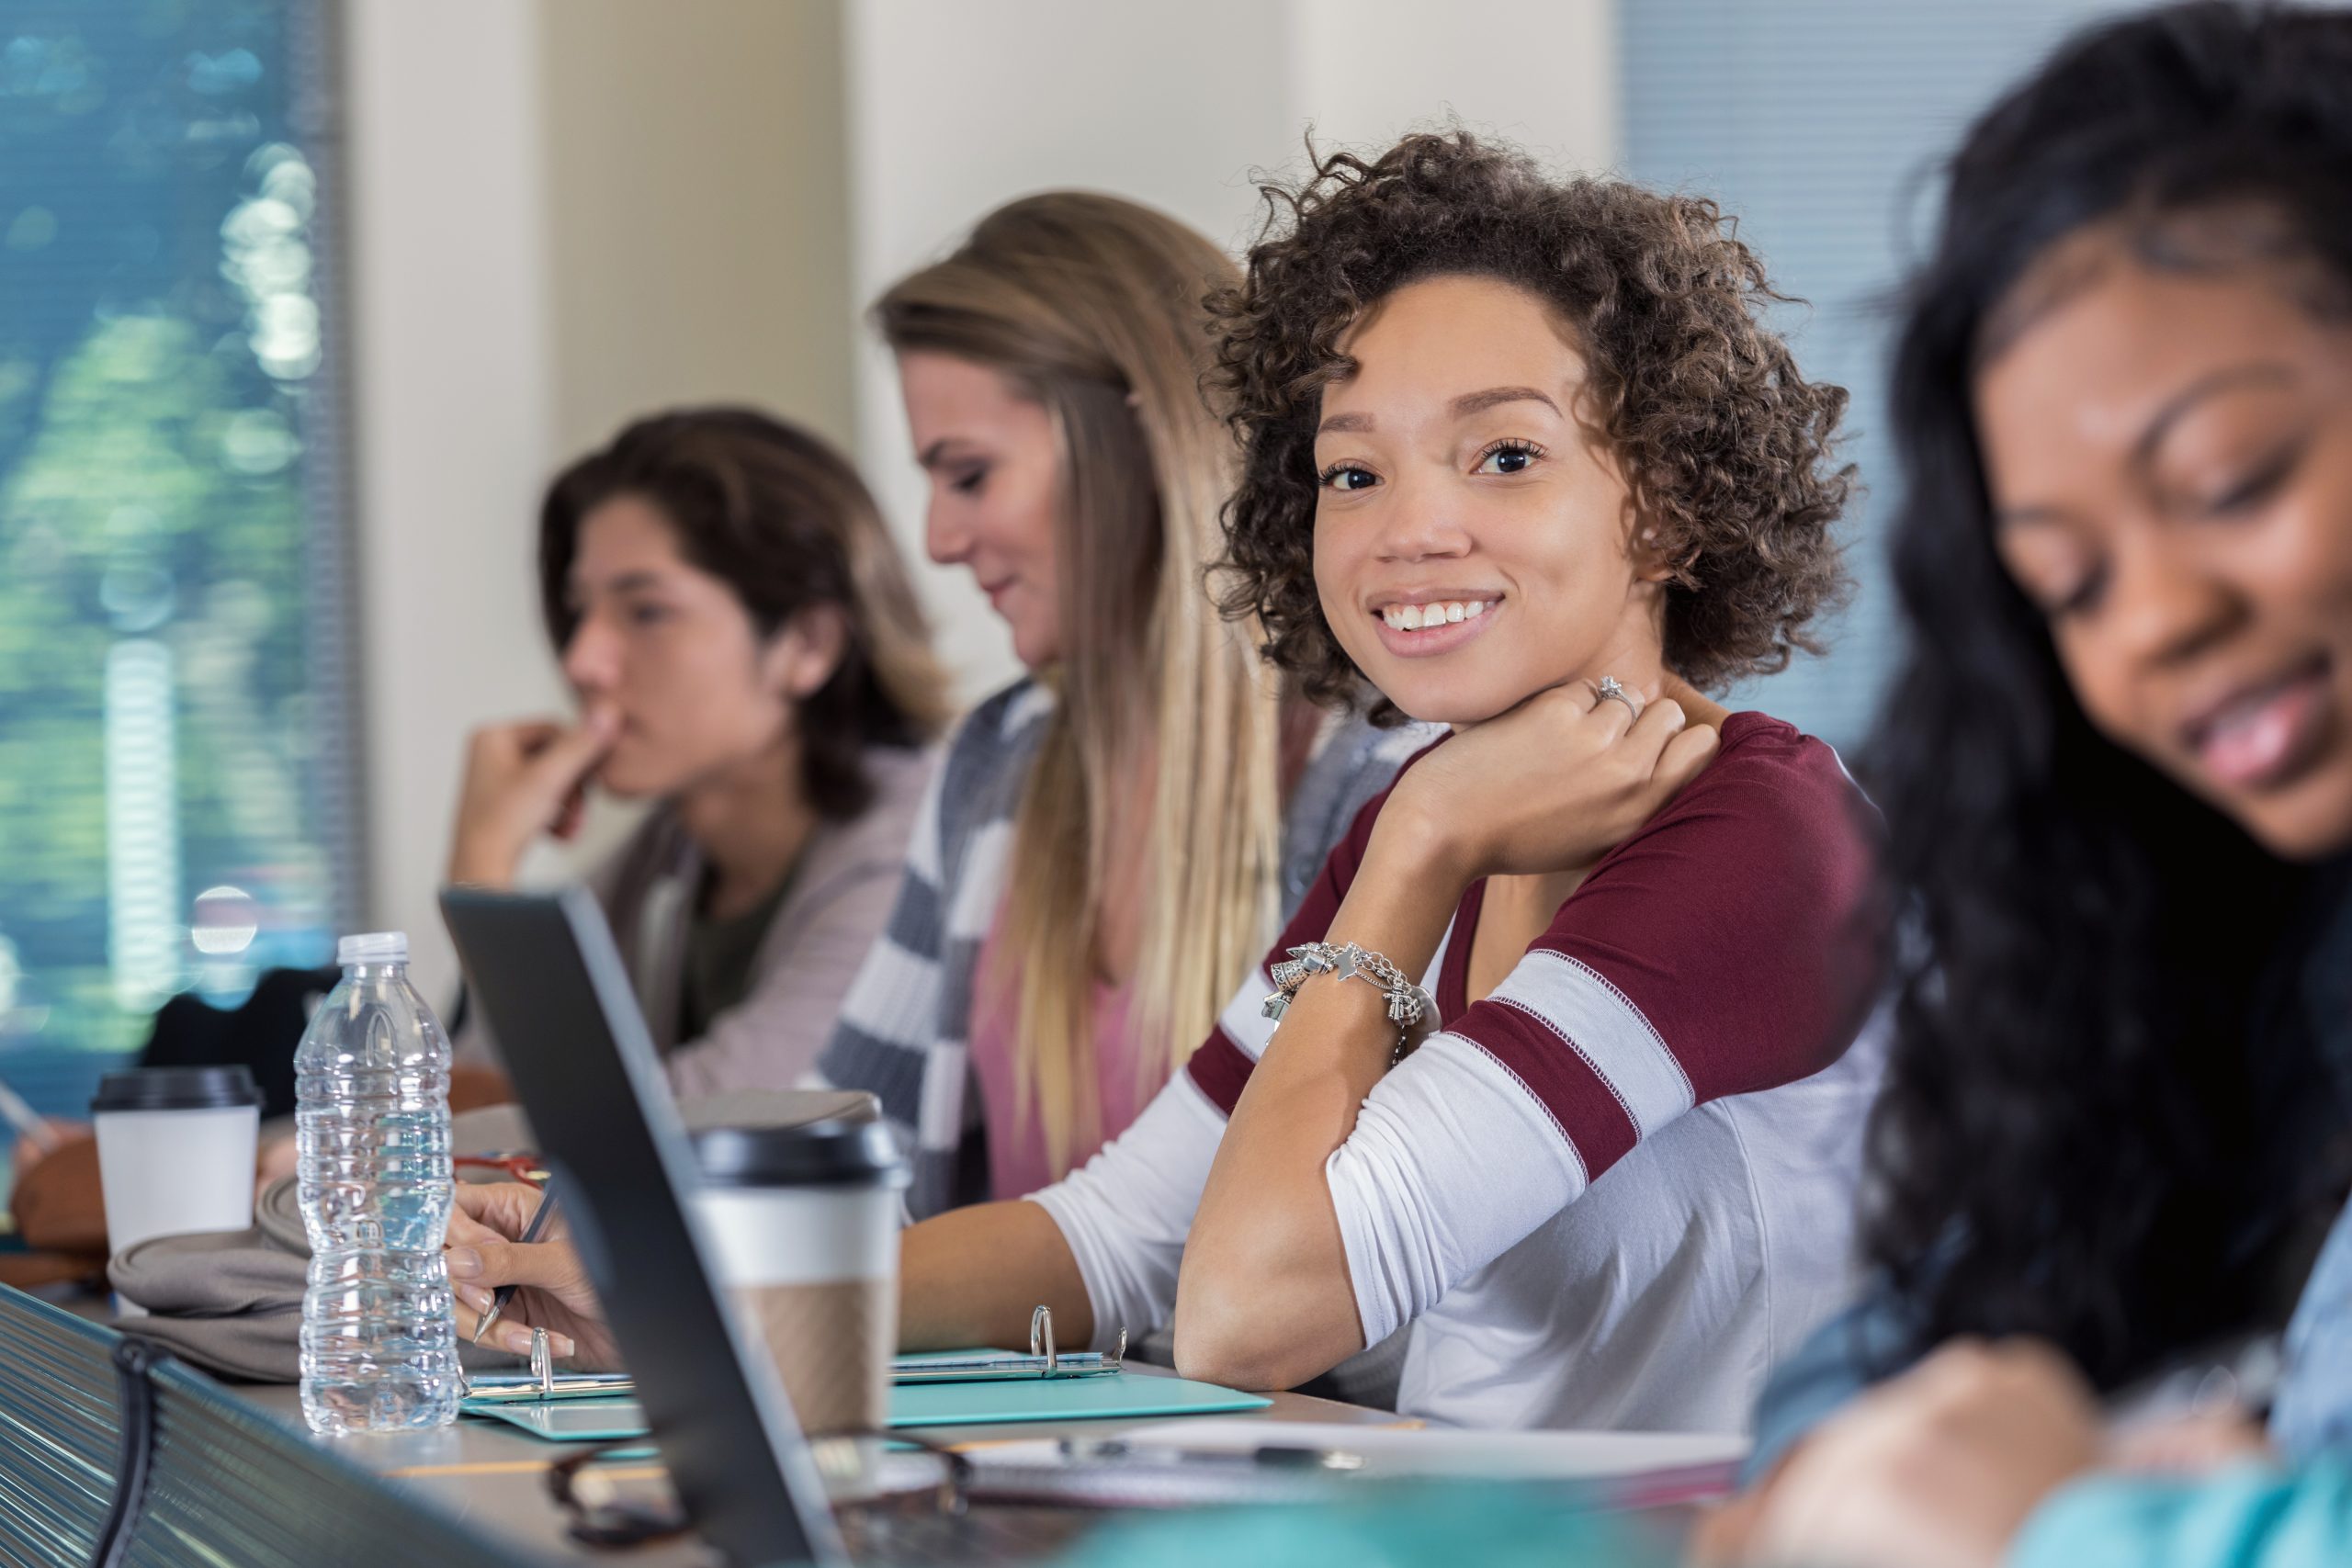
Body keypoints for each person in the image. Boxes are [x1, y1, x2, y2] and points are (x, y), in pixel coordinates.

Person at [876, 134, 1883, 1428]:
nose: (1408, 530)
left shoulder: (1757, 839)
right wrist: (692, 1288)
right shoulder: (1439, 814)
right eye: (1354, 471)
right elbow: (1114, 1236)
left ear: (1666, 507)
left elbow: (1245, 1314)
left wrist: (1421, 845)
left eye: (1505, 455)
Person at [1700, 6, 2352, 1565]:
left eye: (2232, 483)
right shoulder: (2189, 955)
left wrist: (2083, 1517)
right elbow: (1844, 1419)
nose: (2154, 623)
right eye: (2067, 584)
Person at [812, 191, 1432, 1217]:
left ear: (1138, 444)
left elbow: (1371, 1235)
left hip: (1276, 1389)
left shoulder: (1380, 772)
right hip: (1002, 1377)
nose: (936, 539)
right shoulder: (998, 758)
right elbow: (846, 1119)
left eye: (968, 475)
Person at [447, 408, 951, 1098]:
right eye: (580, 611)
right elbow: (479, 1090)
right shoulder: (668, 854)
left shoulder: (914, 852)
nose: (583, 660)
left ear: (808, 643)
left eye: (646, 611)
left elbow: (690, 1128)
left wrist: (482, 863)